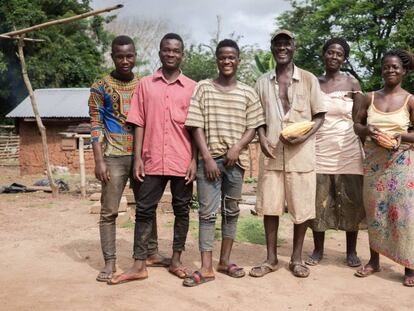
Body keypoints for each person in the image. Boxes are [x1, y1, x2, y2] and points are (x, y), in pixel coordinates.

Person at [108, 33, 197, 285]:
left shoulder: (192, 87)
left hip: (182, 161)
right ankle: (139, 264)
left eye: (176, 50)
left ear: (182, 54)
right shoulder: (145, 85)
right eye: (166, 50)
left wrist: (194, 161)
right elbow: (138, 122)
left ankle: (177, 260)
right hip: (152, 159)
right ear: (159, 53)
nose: (171, 54)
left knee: (182, 211)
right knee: (145, 211)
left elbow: (197, 128)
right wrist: (137, 158)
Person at [183, 39, 265, 286]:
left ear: (238, 61)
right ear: (217, 60)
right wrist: (206, 157)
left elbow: (254, 125)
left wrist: (238, 147)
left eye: (231, 57)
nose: (227, 61)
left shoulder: (248, 92)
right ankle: (206, 267)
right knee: (207, 214)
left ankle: (225, 260)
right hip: (210, 161)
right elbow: (195, 124)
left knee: (231, 213)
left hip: (235, 163)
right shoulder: (204, 88)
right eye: (222, 57)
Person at [250, 30, 327, 278]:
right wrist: (261, 137)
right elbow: (256, 116)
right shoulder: (262, 82)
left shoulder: (308, 79)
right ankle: (271, 258)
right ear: (272, 48)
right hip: (272, 152)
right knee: (270, 207)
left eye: (287, 43)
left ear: (294, 47)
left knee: (301, 208)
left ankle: (296, 258)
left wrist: (304, 136)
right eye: (277, 44)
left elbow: (319, 116)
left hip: (301, 156)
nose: (282, 47)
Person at [89, 35, 164, 282]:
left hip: (142, 156)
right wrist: (99, 160)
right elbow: (96, 124)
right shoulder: (100, 87)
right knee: (109, 211)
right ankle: (110, 262)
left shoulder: (144, 84)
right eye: (119, 56)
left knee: (147, 207)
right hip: (113, 157)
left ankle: (151, 253)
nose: (125, 61)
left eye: (129, 56)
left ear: (135, 56)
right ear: (112, 57)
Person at [353, 49, 414, 287]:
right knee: (375, 213)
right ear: (382, 70)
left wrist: (400, 136)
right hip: (374, 164)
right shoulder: (369, 97)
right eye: (386, 67)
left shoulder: (410, 100)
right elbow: (357, 125)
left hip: (401, 165)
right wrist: (367, 131)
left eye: (395, 67)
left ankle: (409, 266)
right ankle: (374, 260)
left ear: (404, 72)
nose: (390, 70)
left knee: (404, 215)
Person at [306, 38, 365, 267]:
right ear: (324, 54)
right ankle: (318, 250)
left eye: (339, 54)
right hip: (319, 150)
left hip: (348, 152)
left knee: (351, 201)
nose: (334, 57)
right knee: (319, 201)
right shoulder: (313, 83)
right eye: (330, 52)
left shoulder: (352, 84)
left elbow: (359, 120)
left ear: (344, 58)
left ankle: (351, 252)